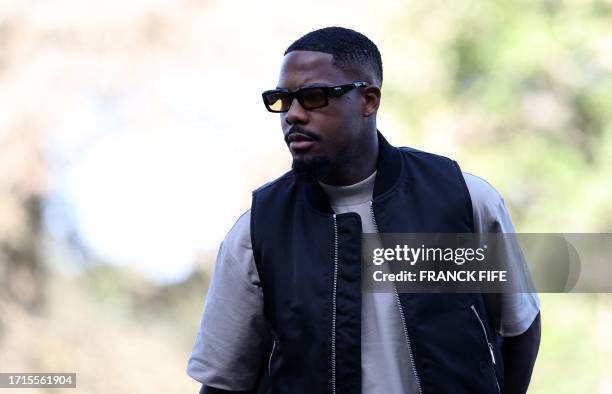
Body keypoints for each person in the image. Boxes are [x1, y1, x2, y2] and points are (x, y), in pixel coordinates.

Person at [187, 27, 541, 394]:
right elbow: (224, 382)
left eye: (313, 97)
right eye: (282, 100)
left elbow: (521, 327)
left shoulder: (463, 199)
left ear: (369, 100)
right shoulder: (258, 231)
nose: (292, 115)